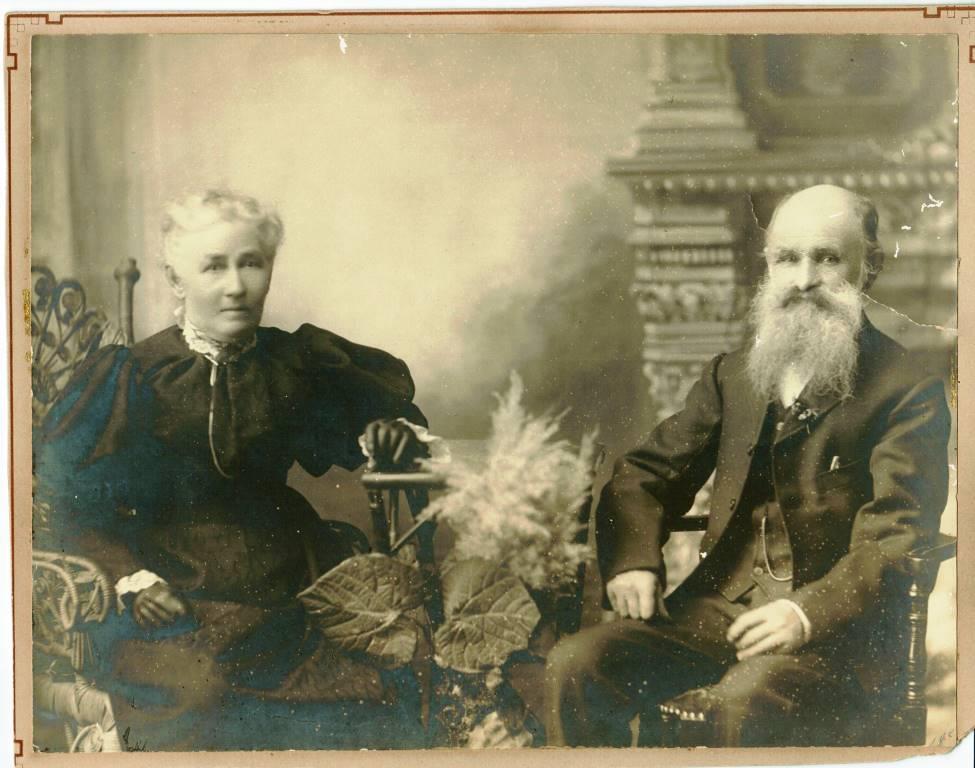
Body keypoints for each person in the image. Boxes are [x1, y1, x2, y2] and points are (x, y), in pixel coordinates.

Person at [544, 185, 951, 747]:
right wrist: (632, 563)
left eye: (827, 258)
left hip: (831, 637)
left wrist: (804, 614)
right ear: (768, 267)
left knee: (744, 700)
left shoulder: (907, 390)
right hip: (715, 616)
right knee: (577, 663)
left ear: (870, 267)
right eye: (787, 258)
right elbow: (642, 476)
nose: (804, 279)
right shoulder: (735, 375)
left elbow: (897, 536)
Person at [33, 190, 431, 751]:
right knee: (199, 694)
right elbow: (69, 501)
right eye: (214, 266)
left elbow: (367, 426)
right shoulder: (135, 375)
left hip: (290, 574)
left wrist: (383, 434)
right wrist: (132, 578)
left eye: (251, 263)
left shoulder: (293, 363)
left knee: (373, 687)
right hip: (172, 586)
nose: (236, 285)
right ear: (176, 279)